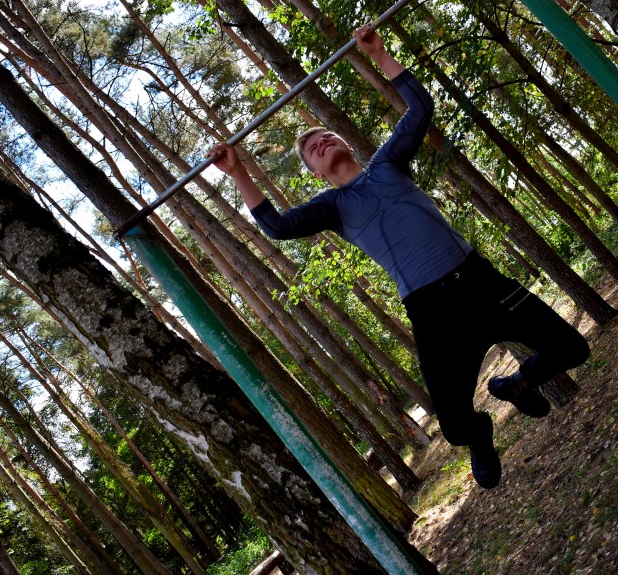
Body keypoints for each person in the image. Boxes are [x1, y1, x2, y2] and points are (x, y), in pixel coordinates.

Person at [210, 25, 589, 488]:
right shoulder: (332, 207)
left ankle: (519, 383)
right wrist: (239, 172)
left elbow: (421, 108)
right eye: (312, 149)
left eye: (325, 136)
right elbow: (277, 226)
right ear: (315, 173)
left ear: (345, 143)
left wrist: (379, 54)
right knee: (455, 427)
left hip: (478, 281)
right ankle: (480, 434)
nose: (320, 142)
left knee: (573, 349)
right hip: (432, 311)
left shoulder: (387, 164)